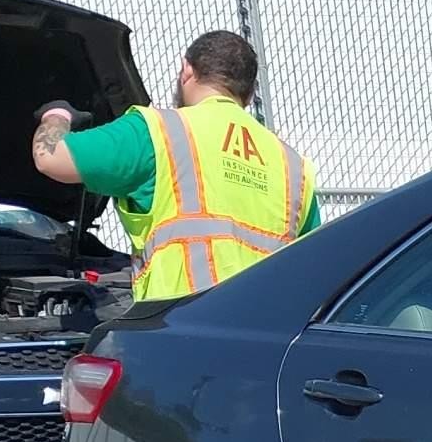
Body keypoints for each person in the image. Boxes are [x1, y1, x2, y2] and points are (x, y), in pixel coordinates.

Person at [30, 29, 319, 300]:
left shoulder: (157, 132)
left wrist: (56, 115)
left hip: (179, 331)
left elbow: (50, 156)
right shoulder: (295, 168)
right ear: (251, 91)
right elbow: (314, 270)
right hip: (267, 341)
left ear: (187, 70)